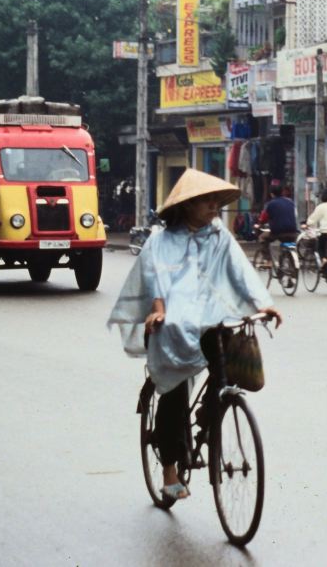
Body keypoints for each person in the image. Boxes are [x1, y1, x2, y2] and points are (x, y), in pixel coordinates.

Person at [106, 169, 282, 502]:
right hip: (171, 325)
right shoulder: (161, 241)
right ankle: (170, 471)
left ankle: (209, 412)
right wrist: (158, 309)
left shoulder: (219, 237)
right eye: (207, 201)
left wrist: (264, 304)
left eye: (216, 200)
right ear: (187, 206)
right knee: (173, 395)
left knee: (225, 371)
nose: (215, 206)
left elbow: (241, 272)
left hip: (211, 319)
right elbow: (155, 277)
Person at [257, 183, 298, 262]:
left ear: (271, 194)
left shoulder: (270, 204)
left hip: (278, 232)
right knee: (287, 243)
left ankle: (267, 259)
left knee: (262, 237)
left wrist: (259, 225)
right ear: (282, 192)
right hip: (293, 232)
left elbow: (263, 218)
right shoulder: (291, 202)